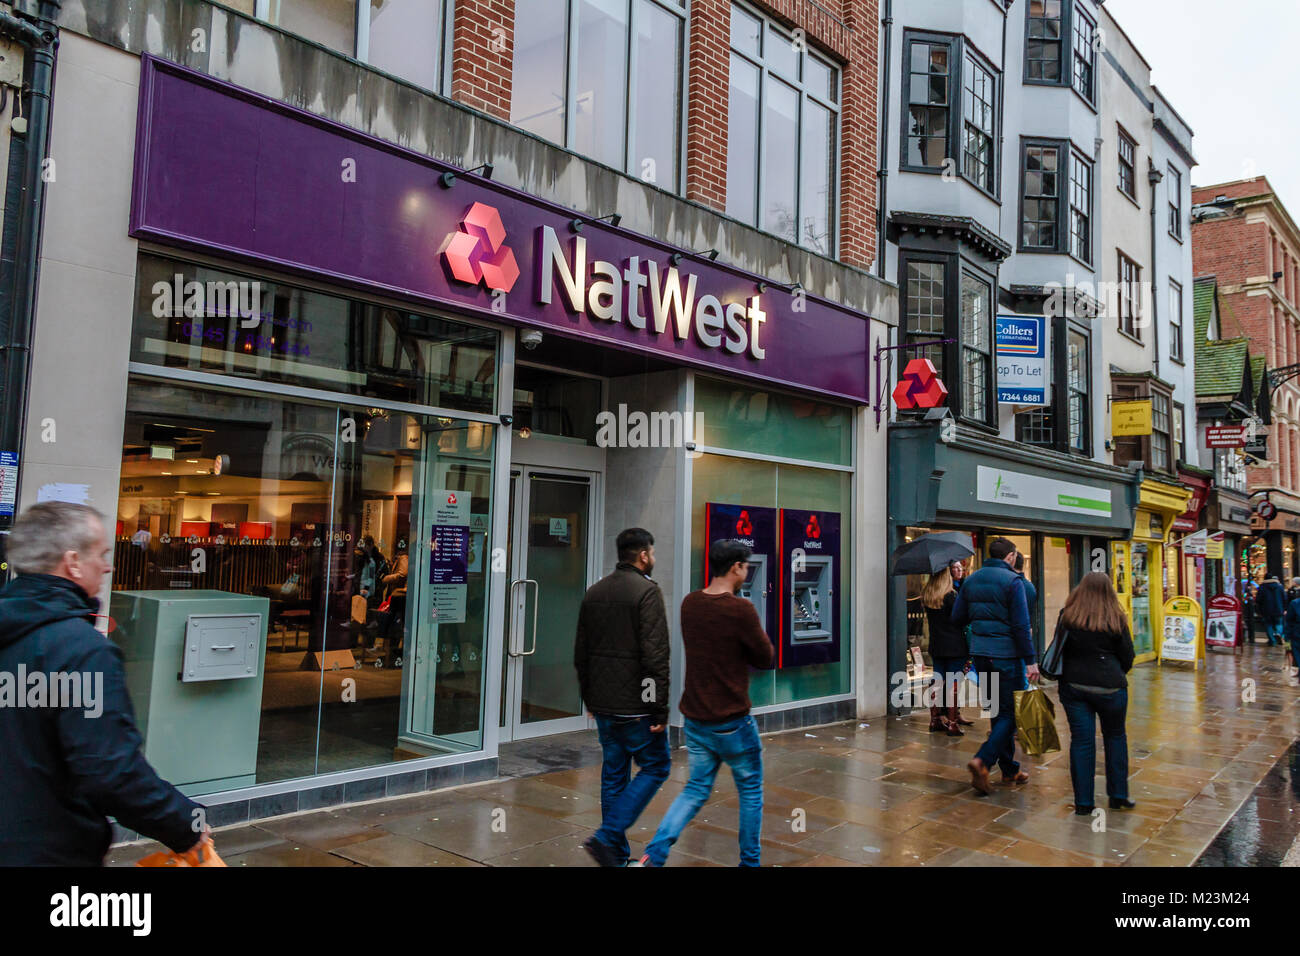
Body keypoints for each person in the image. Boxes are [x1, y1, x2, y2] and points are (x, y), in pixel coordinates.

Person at [0, 502, 211, 865]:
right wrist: (186, 824)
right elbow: (112, 771)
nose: (109, 565)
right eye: (102, 553)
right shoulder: (81, 651)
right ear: (73, 562)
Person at [638, 539, 774, 867]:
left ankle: (653, 856)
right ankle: (750, 863)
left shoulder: (690, 604)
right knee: (751, 791)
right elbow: (766, 657)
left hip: (697, 718)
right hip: (733, 721)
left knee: (695, 790)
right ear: (735, 567)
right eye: (745, 566)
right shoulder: (741, 609)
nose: (747, 571)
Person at [574, 528, 671, 867]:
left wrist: (590, 698)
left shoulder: (594, 592)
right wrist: (658, 710)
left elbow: (580, 653)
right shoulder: (647, 592)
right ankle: (606, 836)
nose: (654, 559)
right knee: (657, 766)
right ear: (643, 555)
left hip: (604, 706)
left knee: (614, 773)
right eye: (653, 553)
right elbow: (655, 657)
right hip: (636, 708)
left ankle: (614, 856)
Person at [952, 537, 1039, 795]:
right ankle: (983, 760)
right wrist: (1031, 660)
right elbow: (1021, 626)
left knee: (995, 711)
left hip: (981, 655)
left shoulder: (972, 579)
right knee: (1010, 714)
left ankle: (1010, 769)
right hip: (1007, 657)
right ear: (1010, 557)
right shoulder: (1013, 582)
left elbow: (958, 617)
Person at [1053, 572, 1136, 815]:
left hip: (1075, 686)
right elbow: (1128, 657)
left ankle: (1084, 803)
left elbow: (1059, 650)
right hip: (1111, 687)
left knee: (1082, 741)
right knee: (1115, 737)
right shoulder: (1116, 618)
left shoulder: (1067, 616)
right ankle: (1119, 795)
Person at [921, 567, 966, 736]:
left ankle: (935, 719)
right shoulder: (951, 596)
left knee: (937, 681)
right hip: (955, 646)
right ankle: (953, 723)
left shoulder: (928, 595)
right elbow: (960, 619)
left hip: (937, 646)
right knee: (953, 684)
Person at [1256, 575, 1286, 646]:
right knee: (1279, 624)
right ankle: (1278, 633)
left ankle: (1272, 641)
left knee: (1268, 625)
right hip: (1278, 609)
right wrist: (1284, 608)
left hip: (1266, 610)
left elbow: (1258, 599)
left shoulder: (1262, 587)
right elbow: (1284, 598)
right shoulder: (1279, 586)